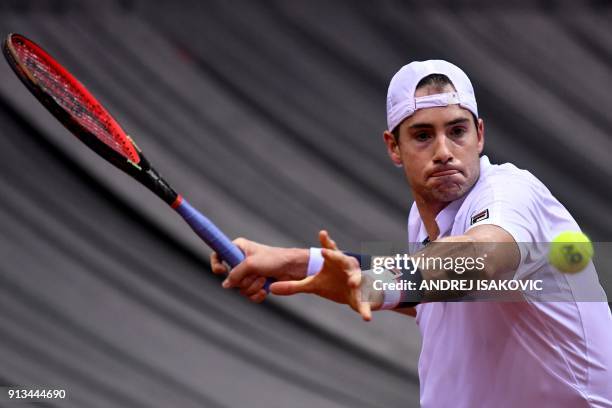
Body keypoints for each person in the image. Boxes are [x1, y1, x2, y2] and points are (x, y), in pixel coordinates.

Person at [211, 60, 612, 407]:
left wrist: (377, 282)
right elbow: (434, 294)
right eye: (423, 135)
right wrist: (300, 263)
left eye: (457, 131)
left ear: (480, 135)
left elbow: (483, 261)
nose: (443, 150)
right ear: (393, 147)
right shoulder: (424, 221)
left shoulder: (511, 192)